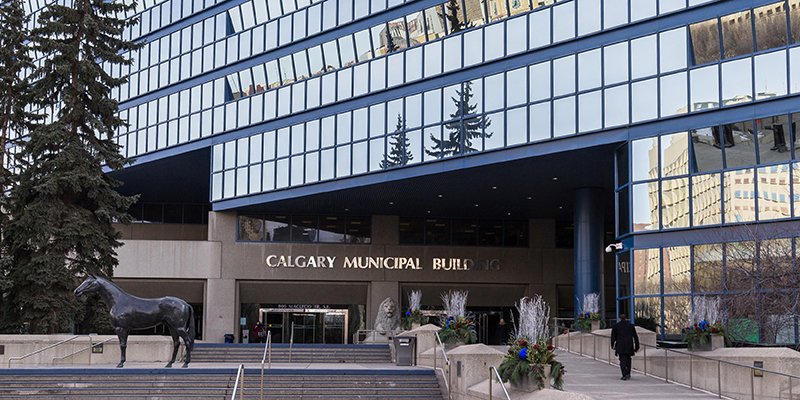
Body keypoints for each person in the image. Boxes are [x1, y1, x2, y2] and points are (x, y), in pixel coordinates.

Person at [610, 314, 639, 381]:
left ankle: (624, 374)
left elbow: (613, 337)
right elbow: (635, 337)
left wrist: (612, 345)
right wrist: (637, 346)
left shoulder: (616, 326)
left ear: (619, 318)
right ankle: (628, 373)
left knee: (622, 360)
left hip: (620, 345)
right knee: (628, 359)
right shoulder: (631, 326)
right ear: (626, 318)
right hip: (629, 345)